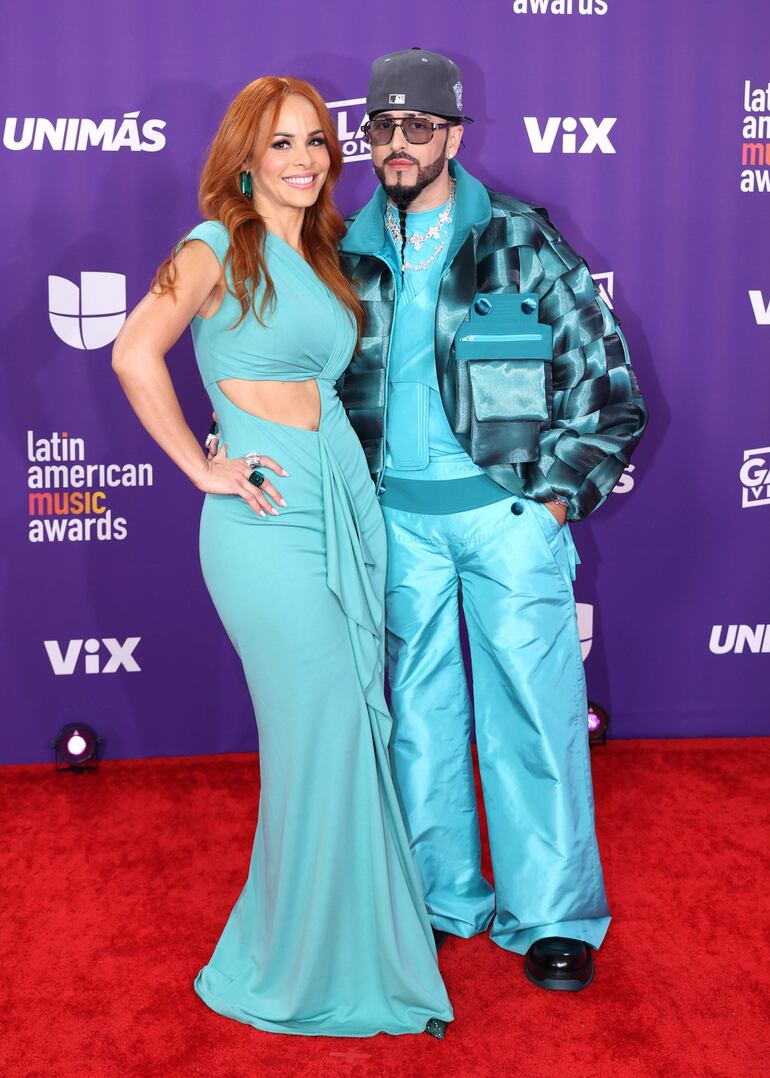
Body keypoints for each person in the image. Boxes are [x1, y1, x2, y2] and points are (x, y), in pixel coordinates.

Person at [112, 75, 452, 1038]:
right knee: (323, 731)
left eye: (314, 143)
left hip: (337, 497)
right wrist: (198, 466)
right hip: (263, 516)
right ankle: (297, 966)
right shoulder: (216, 243)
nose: (303, 160)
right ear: (245, 159)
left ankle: (350, 944)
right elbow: (136, 353)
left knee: (346, 730)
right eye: (281, 145)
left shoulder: (324, 252)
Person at [337, 49, 648, 992]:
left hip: (506, 521)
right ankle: (440, 899)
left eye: (417, 128)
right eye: (382, 128)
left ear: (453, 137)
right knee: (421, 721)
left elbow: (608, 391)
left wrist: (548, 506)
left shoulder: (517, 238)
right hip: (399, 527)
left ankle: (552, 915)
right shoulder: (343, 250)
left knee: (534, 714)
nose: (397, 144)